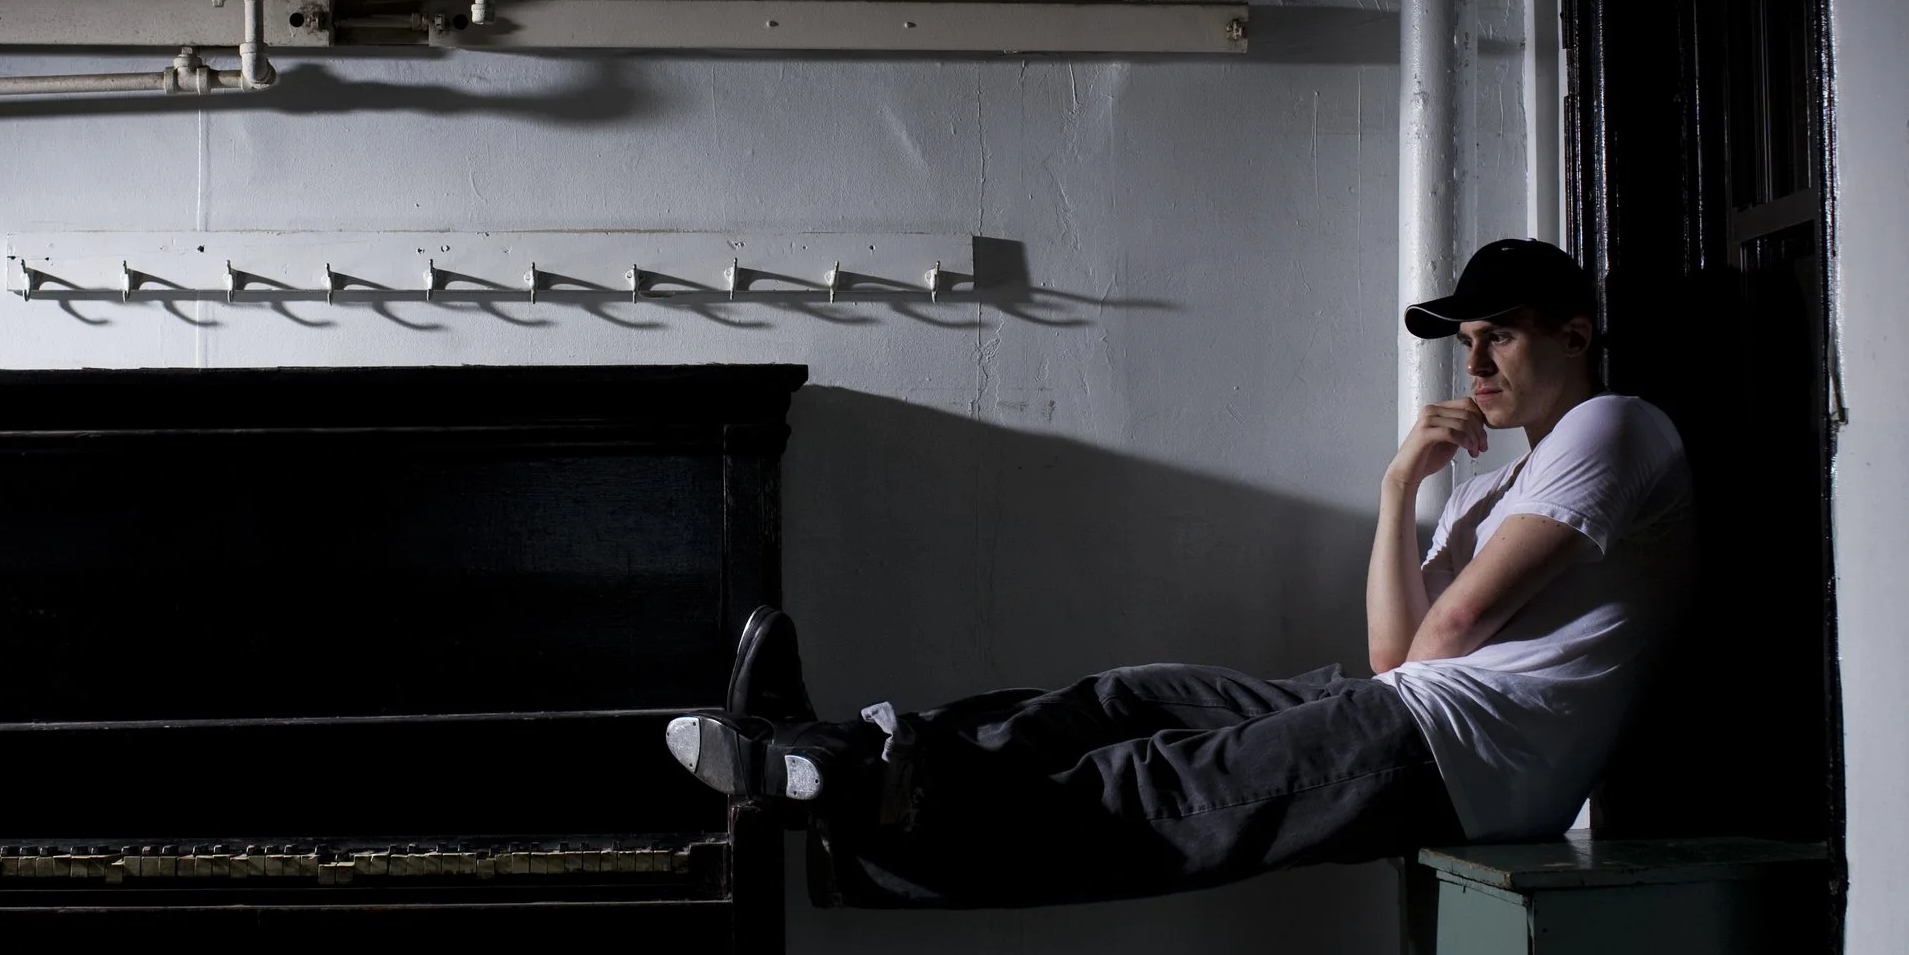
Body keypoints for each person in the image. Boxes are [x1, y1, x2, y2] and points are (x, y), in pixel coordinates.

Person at [666, 239, 1695, 908]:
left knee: (1160, 787)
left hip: (1471, 753)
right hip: (1423, 713)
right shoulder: (1493, 486)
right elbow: (1394, 653)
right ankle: (831, 752)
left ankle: (848, 787)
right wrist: (1397, 485)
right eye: (1467, 344)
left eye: (1499, 336)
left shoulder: (1614, 425)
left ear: (1575, 332)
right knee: (1131, 699)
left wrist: (1429, 612)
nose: (1475, 368)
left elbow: (1451, 624)